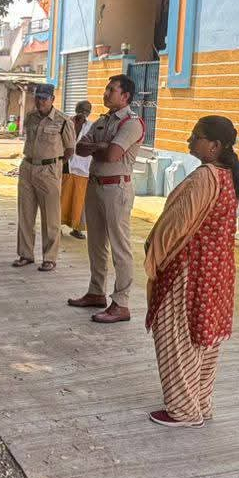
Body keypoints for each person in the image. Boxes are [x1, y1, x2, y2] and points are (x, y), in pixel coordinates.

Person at [143, 117, 239, 428]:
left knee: (176, 336)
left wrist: (155, 254)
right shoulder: (228, 175)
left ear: (215, 146)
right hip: (216, 271)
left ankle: (183, 410)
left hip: (190, 270)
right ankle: (200, 402)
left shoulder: (205, 177)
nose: (189, 141)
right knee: (203, 338)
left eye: (196, 136)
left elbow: (177, 225)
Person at [68, 75, 148, 324]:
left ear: (125, 96)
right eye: (106, 89)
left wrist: (99, 147)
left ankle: (121, 303)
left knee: (119, 247)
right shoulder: (102, 121)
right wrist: (101, 146)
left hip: (116, 189)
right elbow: (79, 149)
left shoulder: (131, 123)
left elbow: (113, 155)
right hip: (95, 185)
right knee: (96, 243)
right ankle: (96, 292)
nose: (105, 93)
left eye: (111, 90)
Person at [13, 84, 76, 271]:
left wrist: (55, 164)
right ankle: (25, 254)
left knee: (51, 217)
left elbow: (70, 149)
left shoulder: (63, 121)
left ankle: (49, 258)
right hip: (27, 167)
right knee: (25, 214)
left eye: (44, 98)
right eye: (37, 97)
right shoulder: (30, 117)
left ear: (52, 99)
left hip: (49, 170)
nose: (40, 101)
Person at [61, 101, 95, 240]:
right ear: (76, 109)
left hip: (83, 168)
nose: (83, 112)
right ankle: (56, 227)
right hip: (66, 165)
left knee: (79, 201)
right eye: (81, 109)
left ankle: (77, 229)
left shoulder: (92, 126)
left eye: (86, 110)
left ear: (89, 112)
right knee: (61, 198)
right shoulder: (66, 123)